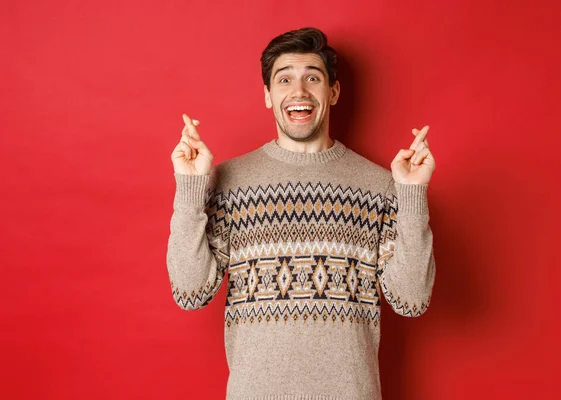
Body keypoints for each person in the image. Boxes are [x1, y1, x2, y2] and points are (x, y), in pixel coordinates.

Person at [166, 27, 436, 400]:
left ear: (334, 92)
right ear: (267, 95)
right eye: (284, 79)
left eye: (313, 77)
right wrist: (190, 188)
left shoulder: (381, 186)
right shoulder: (229, 182)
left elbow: (412, 300)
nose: (299, 91)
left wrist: (412, 194)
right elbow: (189, 292)